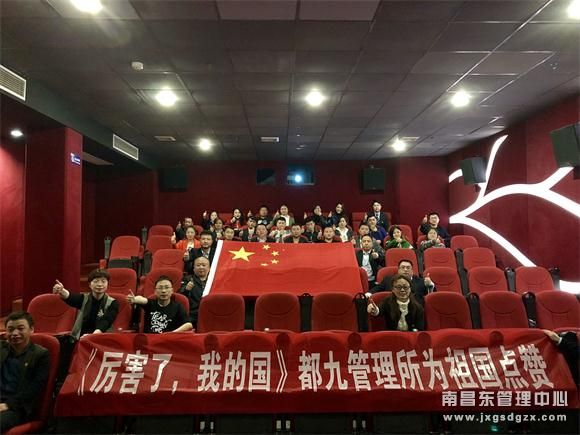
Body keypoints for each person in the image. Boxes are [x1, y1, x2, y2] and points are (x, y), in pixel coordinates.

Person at [0, 311, 50, 432]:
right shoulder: (1, 349)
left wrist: (7, 405)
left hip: (18, 408)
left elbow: (35, 388)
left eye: (20, 328)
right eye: (10, 330)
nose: (15, 333)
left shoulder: (40, 355)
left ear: (31, 330)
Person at [52, 269, 119, 339]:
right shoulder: (83, 298)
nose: (99, 284)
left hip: (101, 338)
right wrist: (61, 291)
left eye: (103, 281)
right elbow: (70, 297)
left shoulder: (113, 303)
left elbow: (106, 321)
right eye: (96, 281)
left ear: (108, 284)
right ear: (90, 285)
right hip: (81, 338)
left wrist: (92, 336)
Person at [127, 276, 192, 333]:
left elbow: (188, 324)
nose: (163, 291)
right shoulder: (150, 304)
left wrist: (172, 333)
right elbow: (142, 299)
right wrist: (135, 299)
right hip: (150, 340)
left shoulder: (177, 307)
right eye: (160, 288)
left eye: (167, 287)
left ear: (172, 291)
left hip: (168, 340)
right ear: (155, 291)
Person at [179, 257, 210, 329]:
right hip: (194, 313)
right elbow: (181, 296)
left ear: (209, 268)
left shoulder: (214, 280)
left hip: (210, 311)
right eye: (198, 265)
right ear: (193, 268)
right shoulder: (187, 279)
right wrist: (186, 289)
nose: (201, 267)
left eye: (203, 265)